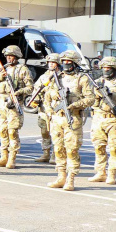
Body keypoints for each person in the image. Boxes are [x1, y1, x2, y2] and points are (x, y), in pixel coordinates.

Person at [45, 50, 94, 191]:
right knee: (58, 149)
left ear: (75, 63)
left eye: (69, 62)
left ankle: (70, 179)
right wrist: (51, 105)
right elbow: (47, 96)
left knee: (72, 150)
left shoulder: (82, 78)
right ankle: (61, 177)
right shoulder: (57, 77)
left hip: (73, 118)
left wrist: (75, 104)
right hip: (57, 119)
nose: (66, 64)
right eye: (64, 61)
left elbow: (90, 99)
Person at [0, 45, 34, 169]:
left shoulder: (23, 69)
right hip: (2, 103)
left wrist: (19, 92)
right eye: (7, 56)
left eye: (11, 56)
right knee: (3, 130)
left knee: (12, 131)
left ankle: (12, 158)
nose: (9, 59)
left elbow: (30, 88)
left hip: (14, 104)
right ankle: (3, 156)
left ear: (16, 57)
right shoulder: (2, 69)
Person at [89, 56, 116, 185]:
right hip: (98, 119)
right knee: (99, 147)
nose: (106, 70)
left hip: (113, 120)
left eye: (108, 68)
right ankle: (100, 173)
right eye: (104, 68)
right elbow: (90, 100)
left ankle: (112, 174)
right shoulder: (97, 82)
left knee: (114, 149)